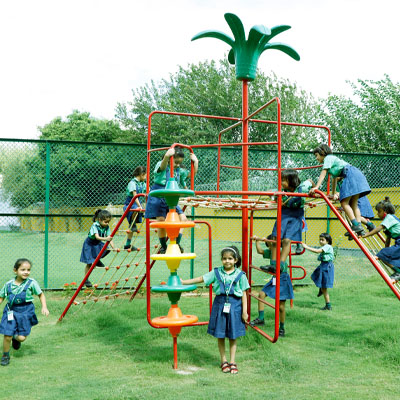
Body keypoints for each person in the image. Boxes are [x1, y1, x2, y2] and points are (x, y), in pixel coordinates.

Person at [181, 246, 249, 374]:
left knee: (233, 336)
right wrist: (184, 282)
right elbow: (201, 278)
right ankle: (223, 361)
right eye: (224, 259)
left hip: (235, 306)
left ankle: (233, 361)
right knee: (220, 334)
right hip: (220, 304)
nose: (227, 261)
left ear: (235, 260)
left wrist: (244, 312)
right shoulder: (216, 272)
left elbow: (244, 293)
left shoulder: (241, 275)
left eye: (230, 258)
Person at [144, 146, 198, 253]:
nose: (177, 165)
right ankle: (163, 246)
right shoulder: (161, 164)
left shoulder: (178, 170)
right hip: (159, 194)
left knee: (183, 218)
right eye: (176, 162)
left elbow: (190, 175)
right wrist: (167, 156)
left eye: (179, 162)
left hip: (171, 197)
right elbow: (163, 167)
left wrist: (196, 162)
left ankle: (177, 243)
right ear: (169, 159)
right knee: (161, 221)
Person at [309, 144, 371, 236]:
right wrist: (333, 194)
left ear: (322, 153)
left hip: (350, 175)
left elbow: (323, 173)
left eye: (316, 155)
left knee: (344, 203)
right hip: (356, 175)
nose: (316, 158)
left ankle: (355, 224)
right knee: (354, 204)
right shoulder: (333, 162)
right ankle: (359, 227)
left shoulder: (328, 158)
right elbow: (334, 179)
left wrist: (316, 187)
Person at [0, 258, 49, 366]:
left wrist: (44, 307)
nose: (26, 272)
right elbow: (1, 297)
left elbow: (41, 295)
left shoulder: (32, 283)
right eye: (23, 269)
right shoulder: (8, 284)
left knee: (21, 338)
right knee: (7, 335)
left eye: (28, 270)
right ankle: (5, 356)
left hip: (26, 312)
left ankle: (15, 338)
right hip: (11, 311)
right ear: (15, 270)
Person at [263, 170, 313, 274]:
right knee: (275, 238)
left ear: (291, 180)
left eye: (283, 180)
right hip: (283, 214)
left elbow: (310, 181)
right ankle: (273, 265)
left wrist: (313, 188)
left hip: (296, 216)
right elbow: (270, 192)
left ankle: (280, 265)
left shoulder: (301, 188)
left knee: (286, 240)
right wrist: (275, 198)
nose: (281, 182)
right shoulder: (282, 191)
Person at [250, 235, 293, 337]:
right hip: (274, 278)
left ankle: (281, 328)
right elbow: (260, 251)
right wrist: (257, 241)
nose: (270, 247)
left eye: (272, 244)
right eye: (269, 245)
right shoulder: (270, 253)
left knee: (281, 306)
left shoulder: (281, 252)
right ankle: (261, 318)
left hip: (283, 279)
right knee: (261, 294)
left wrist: (271, 240)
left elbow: (278, 244)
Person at [362, 200, 400, 281]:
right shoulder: (389, 222)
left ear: (385, 212)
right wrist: (386, 251)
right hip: (398, 242)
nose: (377, 214)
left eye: (379, 212)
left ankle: (398, 272)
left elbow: (377, 229)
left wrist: (366, 235)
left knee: (381, 254)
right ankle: (398, 271)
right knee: (384, 255)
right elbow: (388, 239)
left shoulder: (389, 218)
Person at [80, 209, 116, 288]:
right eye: (105, 222)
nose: (107, 224)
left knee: (107, 249)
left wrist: (113, 247)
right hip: (90, 244)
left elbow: (109, 238)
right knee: (89, 263)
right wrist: (106, 239)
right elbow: (97, 237)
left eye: (108, 222)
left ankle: (97, 260)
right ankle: (86, 279)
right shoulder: (95, 225)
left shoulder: (106, 227)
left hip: (97, 243)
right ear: (100, 220)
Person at [302, 233, 335, 310]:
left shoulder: (327, 246)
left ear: (327, 241)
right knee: (313, 276)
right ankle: (321, 288)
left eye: (322, 240)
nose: (320, 241)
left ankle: (328, 305)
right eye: (320, 239)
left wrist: (306, 247)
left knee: (325, 288)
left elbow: (317, 251)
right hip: (323, 265)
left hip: (327, 266)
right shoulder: (325, 246)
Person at [123, 166, 146, 250]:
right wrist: (139, 206)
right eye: (145, 175)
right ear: (142, 174)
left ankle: (127, 244)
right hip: (130, 204)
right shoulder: (132, 183)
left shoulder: (142, 183)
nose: (146, 177)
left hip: (136, 204)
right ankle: (132, 222)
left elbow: (149, 191)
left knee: (132, 227)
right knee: (137, 209)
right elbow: (135, 196)